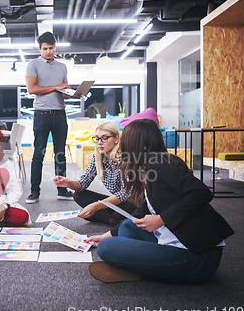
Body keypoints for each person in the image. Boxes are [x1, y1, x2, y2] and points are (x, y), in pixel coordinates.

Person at [85, 119, 235, 284]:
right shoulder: (148, 168)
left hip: (196, 258)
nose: (122, 144)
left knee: (107, 248)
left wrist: (161, 219)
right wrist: (102, 237)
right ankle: (140, 267)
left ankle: (137, 267)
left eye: (124, 138)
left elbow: (201, 193)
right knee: (128, 225)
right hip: (174, 242)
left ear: (135, 142)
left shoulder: (160, 163)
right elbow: (138, 215)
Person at [53, 121, 134, 233]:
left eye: (105, 138)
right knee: (79, 195)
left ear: (116, 139)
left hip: (131, 202)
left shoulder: (125, 158)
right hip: (117, 203)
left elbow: (125, 194)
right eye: (97, 138)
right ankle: (112, 220)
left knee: (94, 212)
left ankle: (109, 217)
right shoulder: (98, 157)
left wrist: (96, 206)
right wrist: (69, 183)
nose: (99, 142)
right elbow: (83, 183)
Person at [25, 31, 76, 204]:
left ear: (55, 48)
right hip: (42, 115)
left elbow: (62, 90)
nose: (48, 51)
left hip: (60, 114)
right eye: (45, 48)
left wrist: (71, 94)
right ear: (40, 49)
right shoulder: (33, 64)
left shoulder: (62, 67)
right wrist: (57, 86)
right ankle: (34, 192)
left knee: (60, 154)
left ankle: (62, 190)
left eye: (51, 48)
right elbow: (32, 89)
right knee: (38, 154)